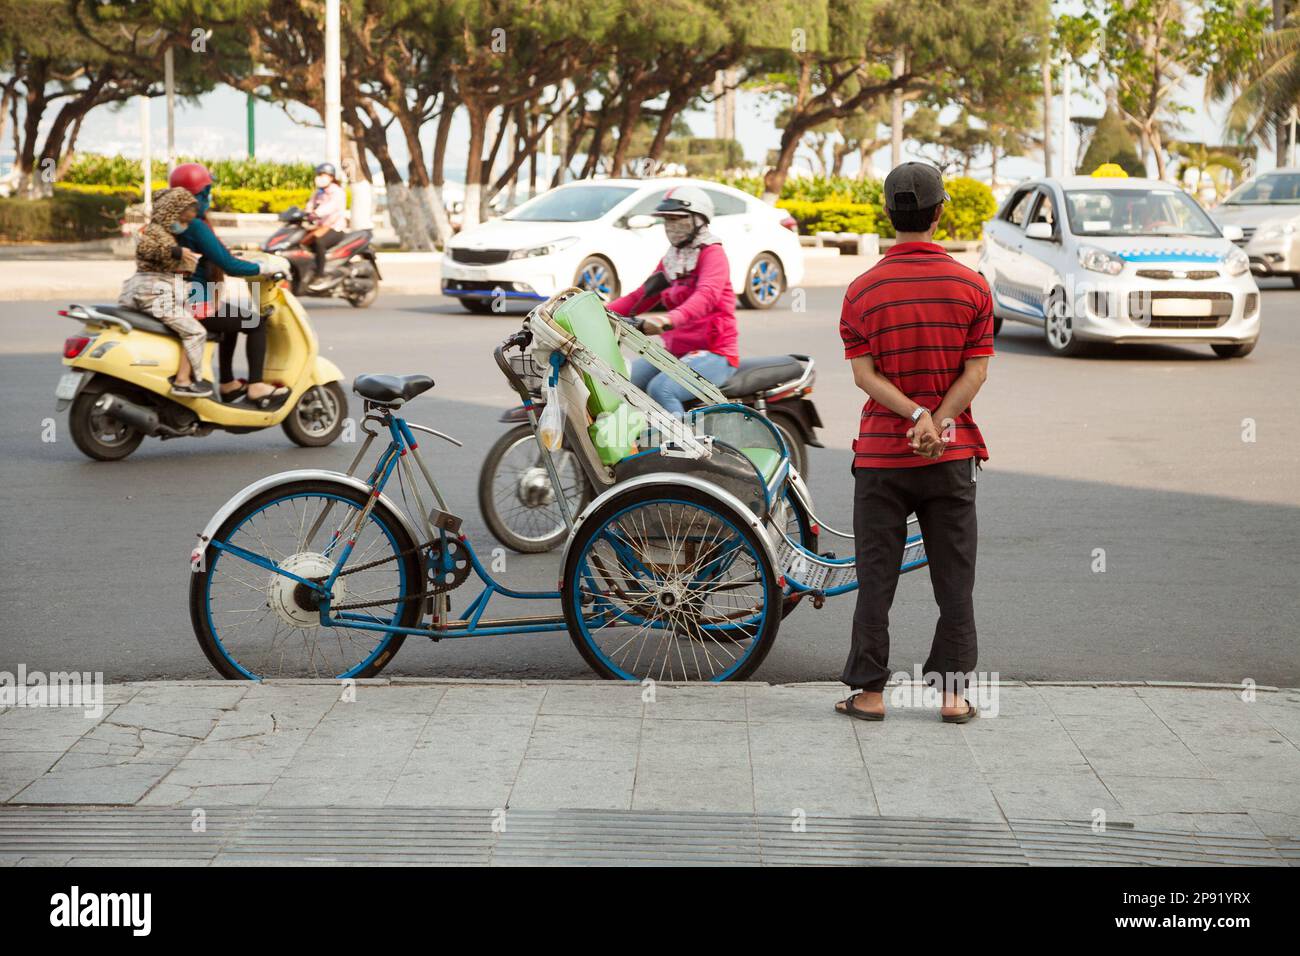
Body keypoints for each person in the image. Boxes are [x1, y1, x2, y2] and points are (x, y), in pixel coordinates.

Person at [834, 162, 993, 724]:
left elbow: (865, 376)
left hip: (881, 456)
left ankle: (871, 693)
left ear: (887, 213)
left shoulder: (862, 290)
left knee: (875, 577)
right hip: (950, 456)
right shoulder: (972, 286)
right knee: (954, 580)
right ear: (940, 211)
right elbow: (975, 371)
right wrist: (939, 418)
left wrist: (913, 414)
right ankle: (952, 696)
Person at [606, 186, 738, 415]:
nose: (672, 226)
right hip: (677, 351)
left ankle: (684, 448)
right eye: (667, 220)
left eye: (679, 219)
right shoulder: (673, 259)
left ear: (699, 220)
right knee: (621, 382)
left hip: (715, 353)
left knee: (662, 389)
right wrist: (598, 311)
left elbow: (706, 296)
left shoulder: (712, 254)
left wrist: (668, 319)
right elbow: (641, 296)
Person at [169, 163, 289, 408]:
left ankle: (228, 383)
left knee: (231, 319)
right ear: (198, 194)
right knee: (255, 322)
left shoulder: (176, 222)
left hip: (177, 297)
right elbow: (228, 265)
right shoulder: (196, 225)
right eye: (207, 191)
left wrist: (237, 256)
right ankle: (256, 386)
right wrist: (263, 268)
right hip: (194, 301)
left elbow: (214, 252)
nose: (210, 196)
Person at [119, 187, 210, 397]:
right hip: (153, 294)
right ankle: (183, 381)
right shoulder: (155, 232)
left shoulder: (164, 233)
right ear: (170, 213)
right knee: (196, 332)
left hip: (146, 290)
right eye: (182, 219)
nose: (184, 225)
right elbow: (145, 249)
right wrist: (177, 252)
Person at [302, 162, 347, 293]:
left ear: (331, 177)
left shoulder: (337, 192)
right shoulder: (318, 192)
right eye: (318, 175)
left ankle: (320, 275)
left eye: (323, 175)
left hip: (335, 228)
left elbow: (331, 207)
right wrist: (306, 213)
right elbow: (309, 206)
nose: (319, 178)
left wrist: (316, 213)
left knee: (319, 242)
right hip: (319, 227)